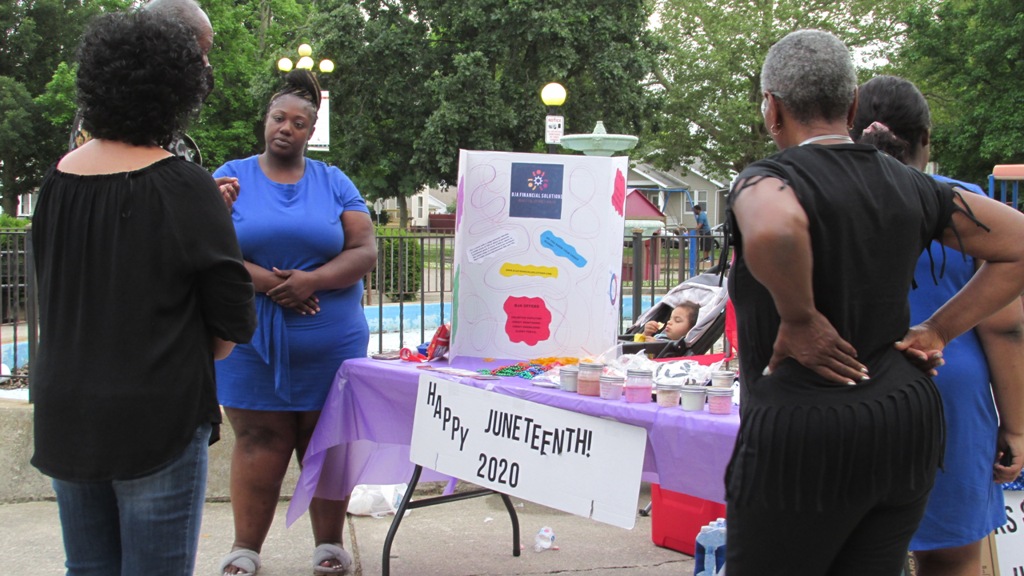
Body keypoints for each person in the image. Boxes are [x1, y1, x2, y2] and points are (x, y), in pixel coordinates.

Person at [723, 29, 1024, 576]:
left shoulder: (768, 180)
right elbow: (1017, 242)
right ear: (852, 104)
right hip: (904, 419)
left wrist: (800, 318)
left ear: (773, 109)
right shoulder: (914, 185)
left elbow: (773, 231)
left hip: (802, 428)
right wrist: (938, 329)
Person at [31, 10, 256, 576]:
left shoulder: (56, 182)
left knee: (87, 567)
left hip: (66, 411)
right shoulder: (186, 186)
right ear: (177, 89)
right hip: (157, 416)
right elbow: (232, 319)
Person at [852, 75, 1024, 576]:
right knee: (951, 556)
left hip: (854, 389)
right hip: (949, 394)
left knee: (852, 549)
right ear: (925, 140)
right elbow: (1005, 329)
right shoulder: (967, 205)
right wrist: (1016, 426)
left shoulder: (823, 199)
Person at [215, 69, 377, 576]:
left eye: (298, 122)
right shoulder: (230, 178)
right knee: (257, 441)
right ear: (265, 121)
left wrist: (313, 281)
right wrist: (270, 283)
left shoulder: (334, 181)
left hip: (331, 345)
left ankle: (330, 545)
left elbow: (364, 250)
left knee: (325, 444)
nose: (286, 128)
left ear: (311, 131)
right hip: (249, 342)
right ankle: (244, 549)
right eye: (278, 118)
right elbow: (205, 249)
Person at [66, 0, 241, 209]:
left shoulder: (133, 117)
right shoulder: (114, 128)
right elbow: (130, 206)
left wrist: (200, 194)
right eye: (201, 52)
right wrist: (198, 200)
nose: (206, 65)